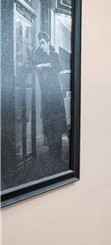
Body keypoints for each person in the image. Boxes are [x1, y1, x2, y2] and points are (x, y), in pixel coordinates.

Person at [33, 32, 67, 160]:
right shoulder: (38, 54)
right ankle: (52, 149)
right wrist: (45, 65)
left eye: (43, 43)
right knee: (48, 120)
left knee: (57, 120)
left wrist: (46, 65)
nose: (41, 45)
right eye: (40, 43)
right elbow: (34, 65)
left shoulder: (54, 53)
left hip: (55, 92)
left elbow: (59, 67)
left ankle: (57, 150)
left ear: (48, 42)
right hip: (46, 93)